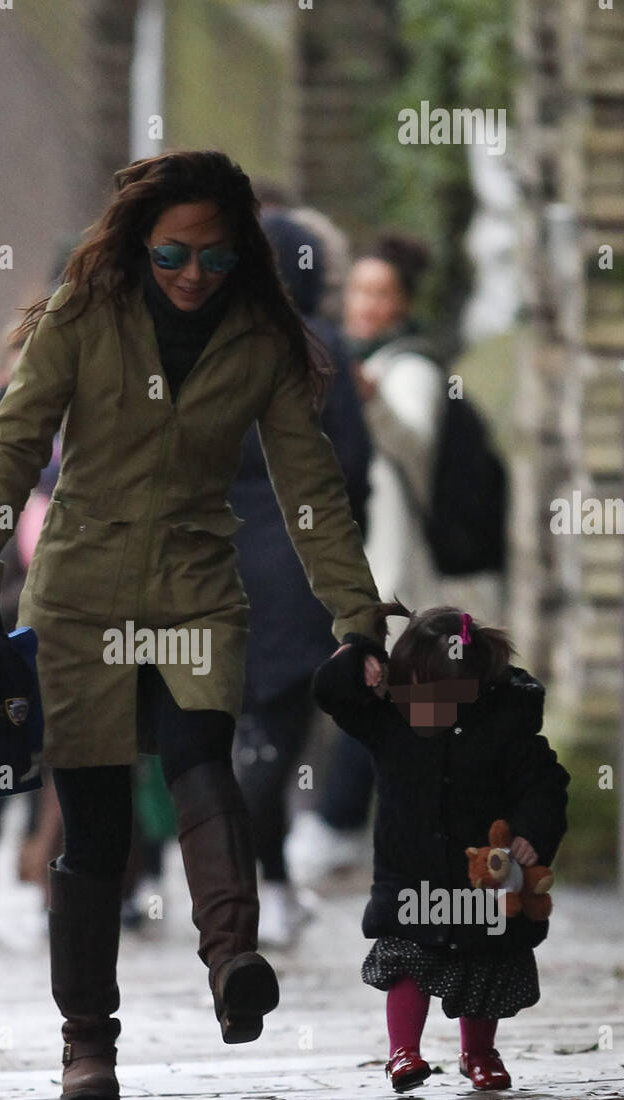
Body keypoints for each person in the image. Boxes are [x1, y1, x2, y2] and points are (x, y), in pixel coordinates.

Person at [0, 149, 385, 1100]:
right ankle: (88, 1044)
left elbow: (311, 489)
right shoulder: (83, 314)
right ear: (141, 243)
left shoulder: (260, 339)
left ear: (241, 255)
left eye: (215, 258)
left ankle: (232, 960)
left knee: (200, 757)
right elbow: (14, 439)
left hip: (194, 584)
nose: (193, 275)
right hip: (81, 591)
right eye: (173, 255)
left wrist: (358, 612)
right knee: (95, 824)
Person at [311, 605, 570, 1093]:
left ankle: (479, 1052)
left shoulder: (505, 725)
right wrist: (360, 652)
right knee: (408, 962)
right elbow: (329, 692)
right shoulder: (390, 719)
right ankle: (403, 1051)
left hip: (483, 879)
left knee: (485, 966)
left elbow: (544, 785)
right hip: (410, 875)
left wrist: (531, 834)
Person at [230, 208, 373, 947]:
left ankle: (255, 883)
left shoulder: (206, 348)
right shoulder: (323, 351)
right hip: (297, 567)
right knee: (275, 736)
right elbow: (353, 465)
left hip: (209, 562)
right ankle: (268, 886)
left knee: (232, 732)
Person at [344, 233, 506, 630]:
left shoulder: (411, 369)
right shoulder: (369, 361)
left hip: (408, 573)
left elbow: (415, 444)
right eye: (358, 290)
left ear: (405, 302)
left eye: (380, 294)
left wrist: (371, 399)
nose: (365, 305)